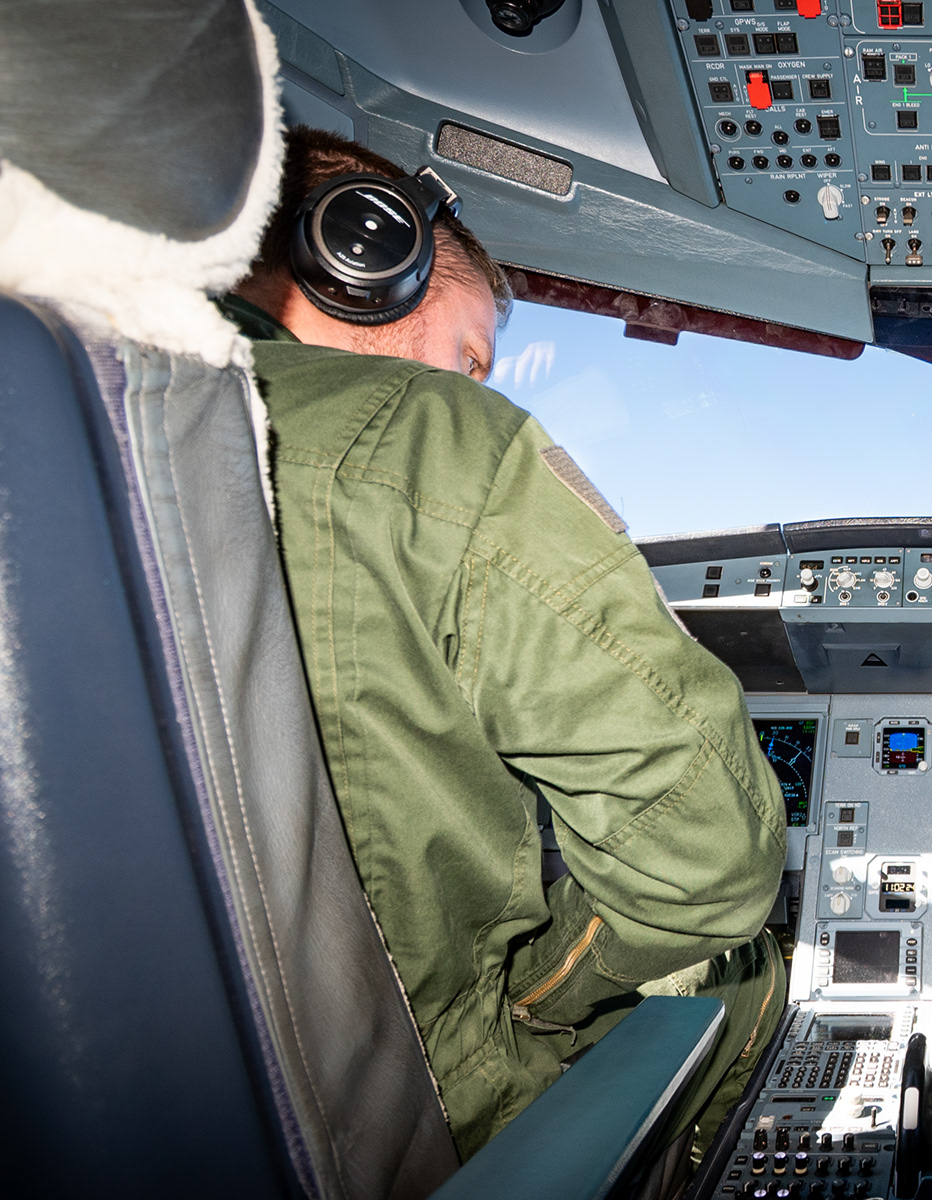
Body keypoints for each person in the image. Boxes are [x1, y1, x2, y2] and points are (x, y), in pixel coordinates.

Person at [221, 127, 788, 1168]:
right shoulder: (427, 442)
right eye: (469, 360)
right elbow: (709, 865)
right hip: (412, 1100)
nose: (477, 395)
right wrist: (543, 986)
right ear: (360, 257)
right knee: (744, 965)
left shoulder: (78, 407)